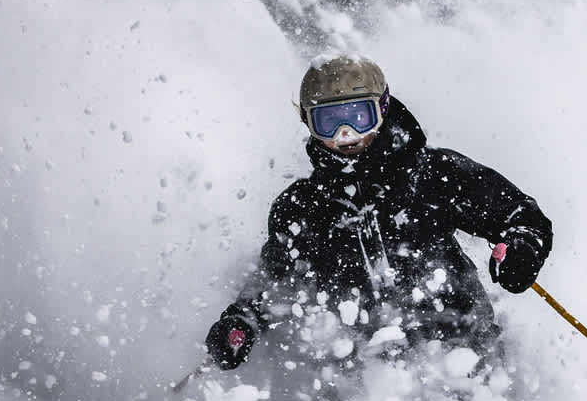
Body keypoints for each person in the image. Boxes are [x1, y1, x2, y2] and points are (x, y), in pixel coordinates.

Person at [203, 55, 552, 373]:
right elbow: (274, 279)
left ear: (382, 110)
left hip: (464, 356)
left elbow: (519, 215)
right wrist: (241, 321)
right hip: (367, 381)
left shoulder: (431, 175)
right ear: (308, 123)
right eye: (329, 122)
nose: (345, 136)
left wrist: (522, 248)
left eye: (358, 117)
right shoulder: (303, 208)